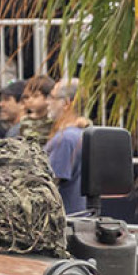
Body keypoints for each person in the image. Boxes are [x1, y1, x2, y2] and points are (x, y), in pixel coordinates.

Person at [44, 78, 90, 215]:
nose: (47, 102)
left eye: (52, 97)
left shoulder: (65, 139)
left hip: (65, 222)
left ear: (66, 103)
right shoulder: (83, 133)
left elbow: (47, 183)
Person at [6, 75, 54, 143]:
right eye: (27, 97)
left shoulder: (53, 120)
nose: (30, 100)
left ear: (48, 97)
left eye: (36, 96)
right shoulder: (24, 121)